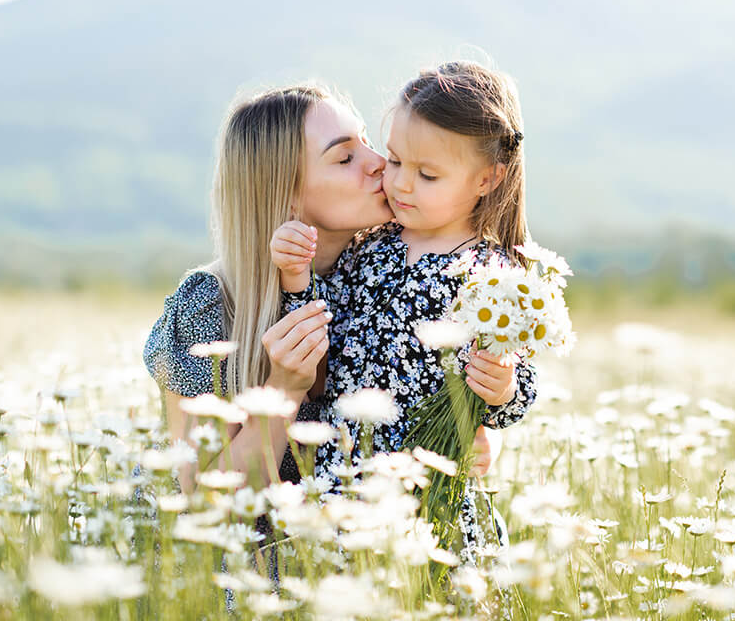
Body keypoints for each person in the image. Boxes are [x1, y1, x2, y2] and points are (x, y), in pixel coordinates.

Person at [144, 83, 501, 494]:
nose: (380, 164)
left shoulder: (396, 268)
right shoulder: (211, 304)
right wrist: (284, 388)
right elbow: (199, 491)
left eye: (368, 143)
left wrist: (483, 434)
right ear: (287, 195)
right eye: (346, 156)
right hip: (254, 550)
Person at [271, 61, 538, 563]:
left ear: (487, 178)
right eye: (394, 162)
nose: (402, 185)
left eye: (428, 174)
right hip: (343, 480)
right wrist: (296, 277)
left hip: (431, 493)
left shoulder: (493, 275)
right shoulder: (370, 245)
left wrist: (501, 389)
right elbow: (319, 337)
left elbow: (519, 388)